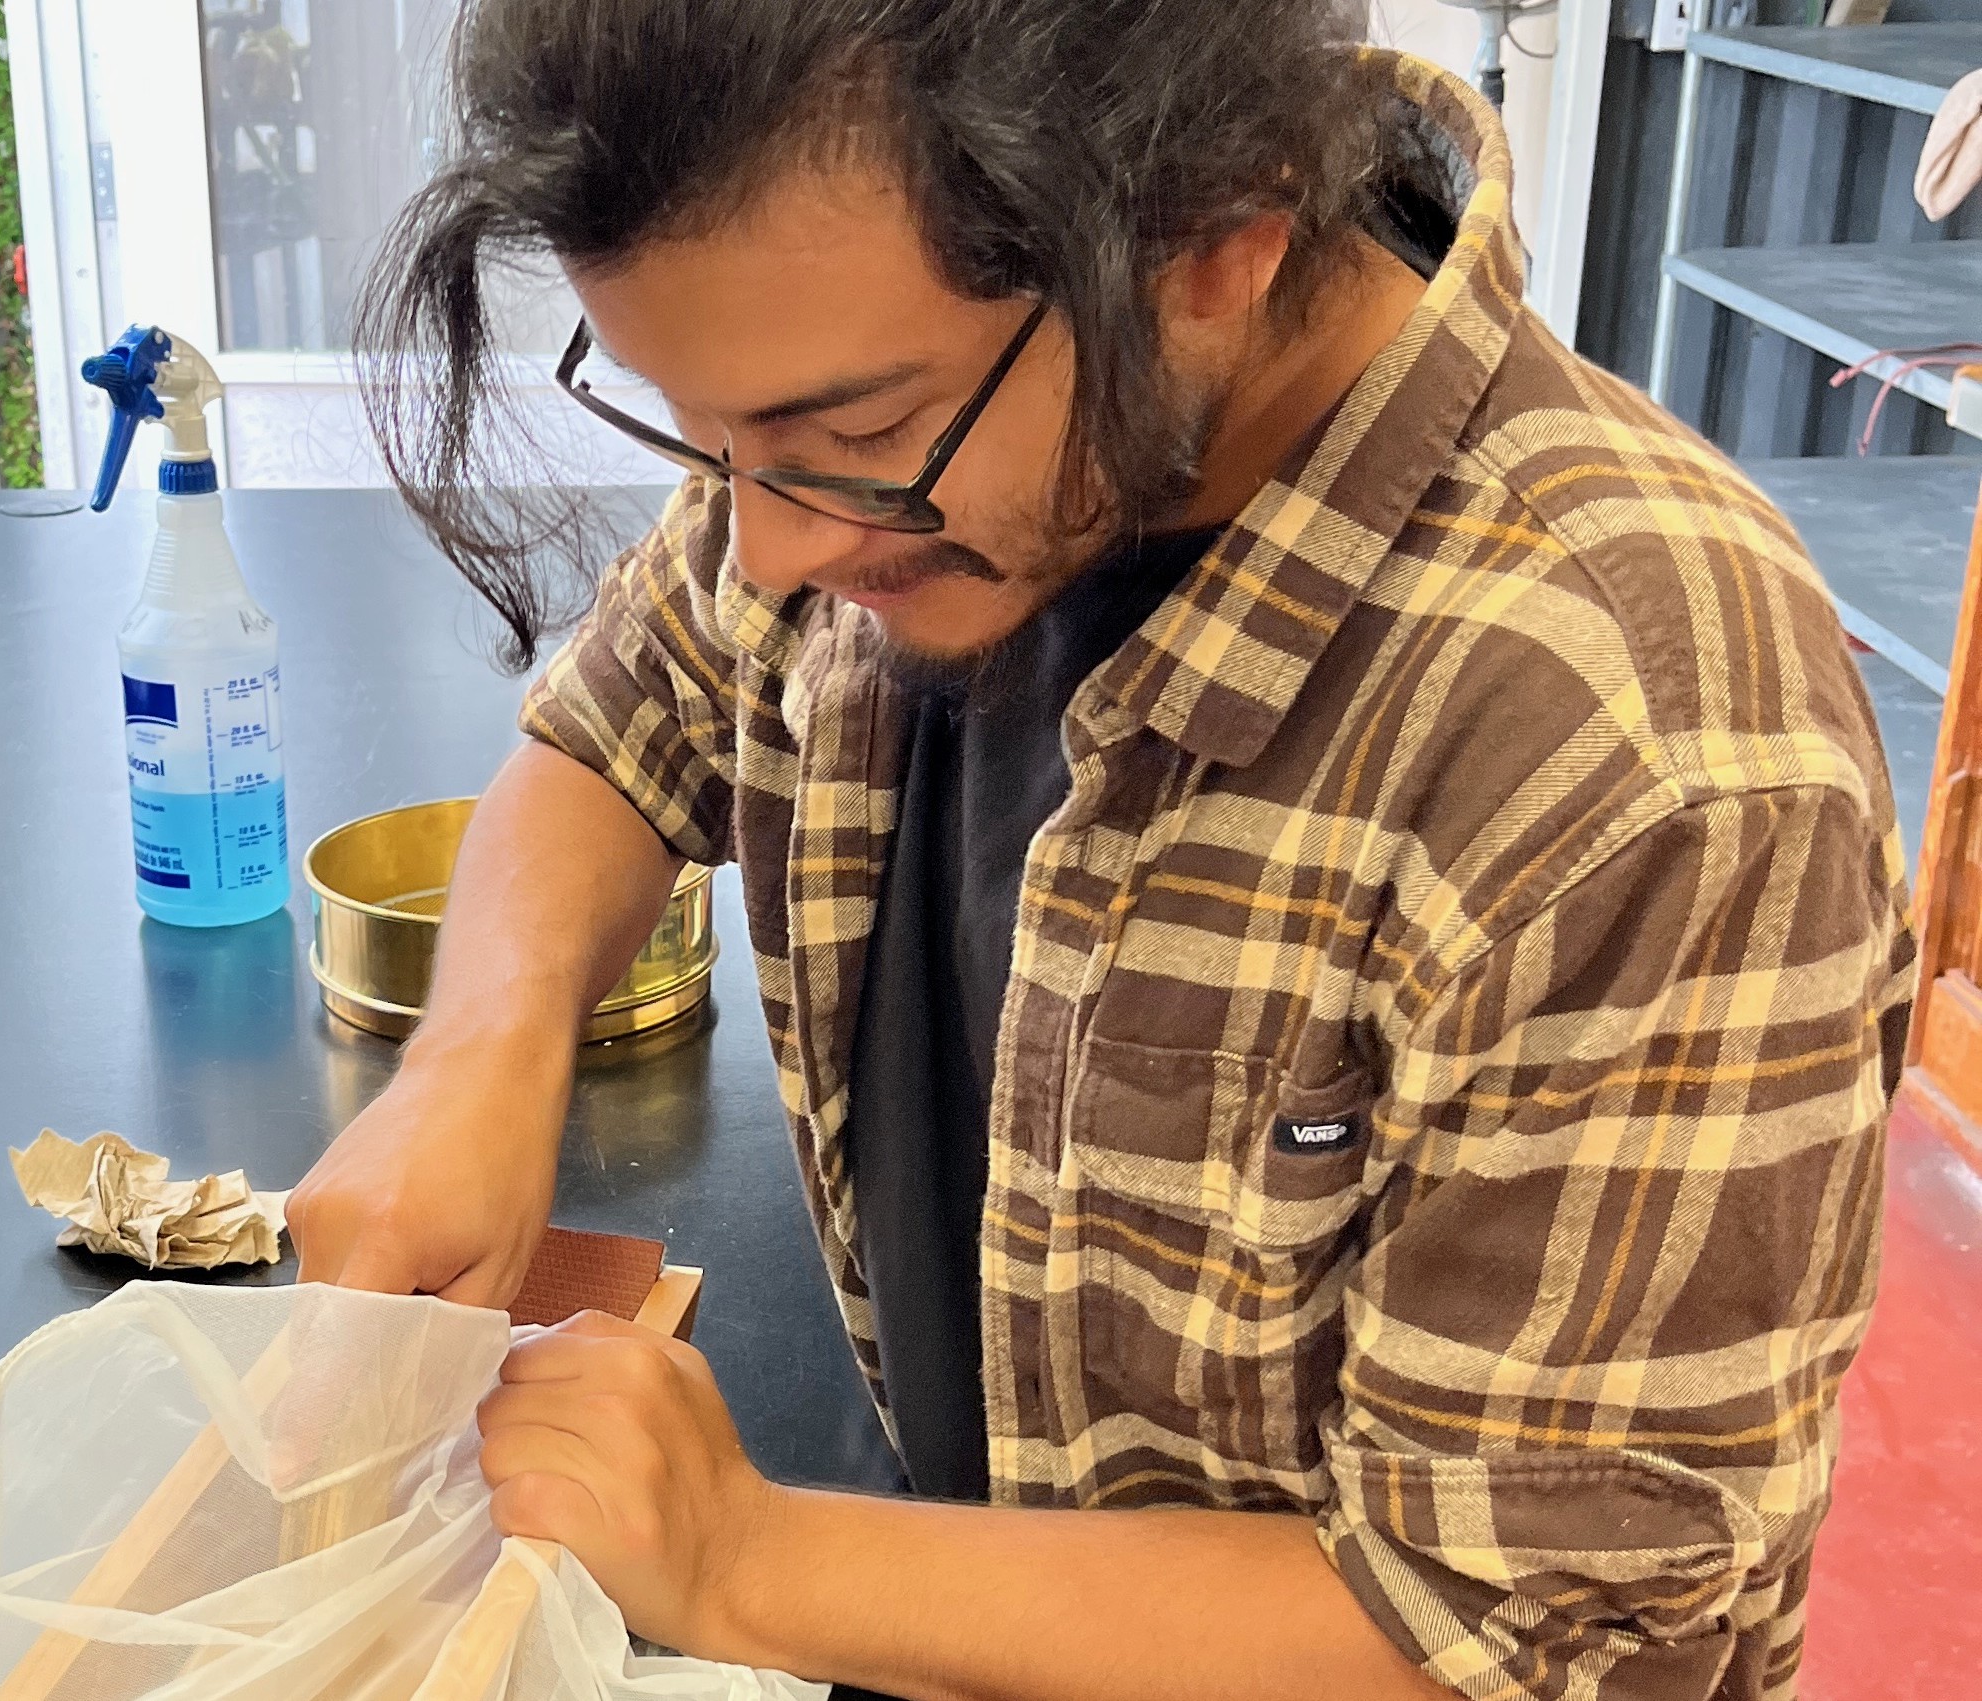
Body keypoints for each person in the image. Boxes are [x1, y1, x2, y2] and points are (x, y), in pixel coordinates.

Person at [288, 4, 1913, 1699]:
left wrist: (746, 1559)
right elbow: (622, 732)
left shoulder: (1649, 754)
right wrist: (485, 1046)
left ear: (1215, 237)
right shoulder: (895, 418)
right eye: (707, 437)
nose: (762, 543)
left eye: (842, 440)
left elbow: (1492, 1638)